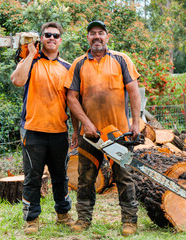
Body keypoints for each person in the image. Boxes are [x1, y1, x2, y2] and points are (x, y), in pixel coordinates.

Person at [64, 20, 141, 236]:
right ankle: (83, 218)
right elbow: (71, 98)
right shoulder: (78, 64)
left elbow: (134, 91)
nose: (96, 37)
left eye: (100, 33)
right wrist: (83, 126)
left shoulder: (121, 59)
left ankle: (129, 220)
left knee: (124, 177)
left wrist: (135, 122)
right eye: (92, 33)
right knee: (85, 178)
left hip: (119, 133)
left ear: (107, 37)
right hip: (89, 135)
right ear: (87, 38)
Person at [10, 22, 74, 235]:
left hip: (59, 131)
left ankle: (63, 215)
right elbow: (17, 80)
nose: (52, 38)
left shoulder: (67, 67)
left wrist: (77, 130)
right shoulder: (30, 62)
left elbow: (73, 101)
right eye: (47, 35)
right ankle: (31, 220)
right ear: (41, 38)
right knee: (32, 177)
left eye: (55, 35)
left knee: (60, 176)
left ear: (60, 40)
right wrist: (30, 54)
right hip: (33, 130)